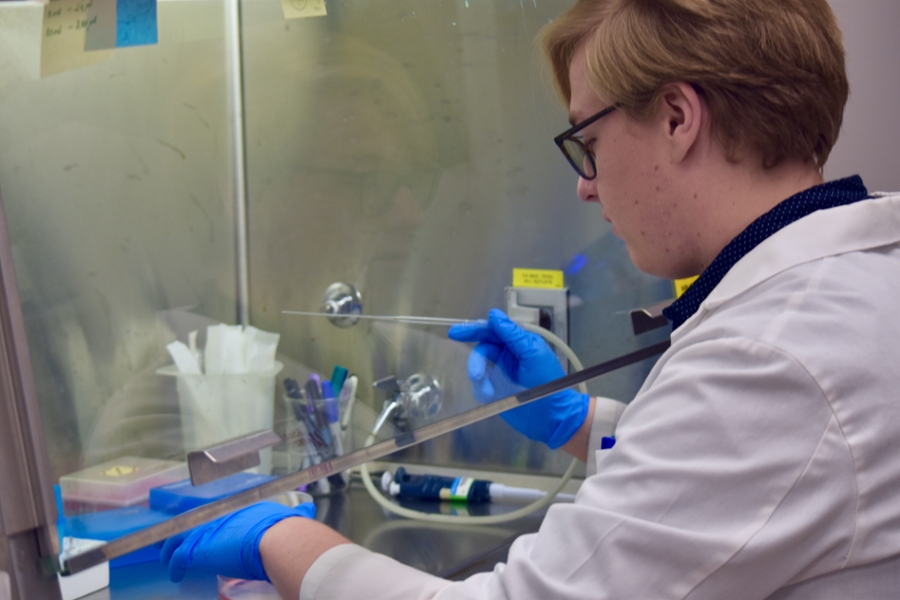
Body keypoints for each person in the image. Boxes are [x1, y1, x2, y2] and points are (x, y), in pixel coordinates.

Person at [160, 0, 900, 598]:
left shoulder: (774, 354)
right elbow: (739, 488)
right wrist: (584, 424)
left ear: (677, 119)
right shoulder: (851, 287)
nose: (585, 184)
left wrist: (281, 540)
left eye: (588, 142)